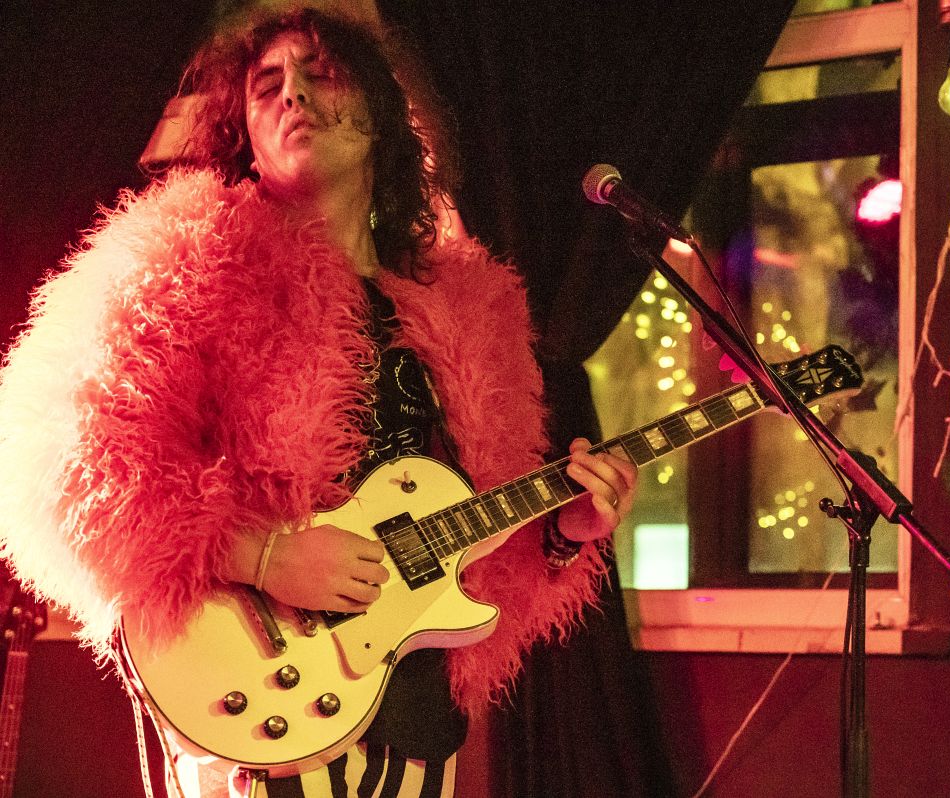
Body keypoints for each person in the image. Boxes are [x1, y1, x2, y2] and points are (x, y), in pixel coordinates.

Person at [0, 6, 636, 797]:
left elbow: (475, 549)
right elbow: (62, 470)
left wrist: (565, 535)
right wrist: (264, 556)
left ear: (379, 110)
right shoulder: (181, 262)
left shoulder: (471, 306)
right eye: (267, 85)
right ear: (246, 134)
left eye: (321, 72)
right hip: (253, 688)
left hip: (410, 700)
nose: (293, 94)